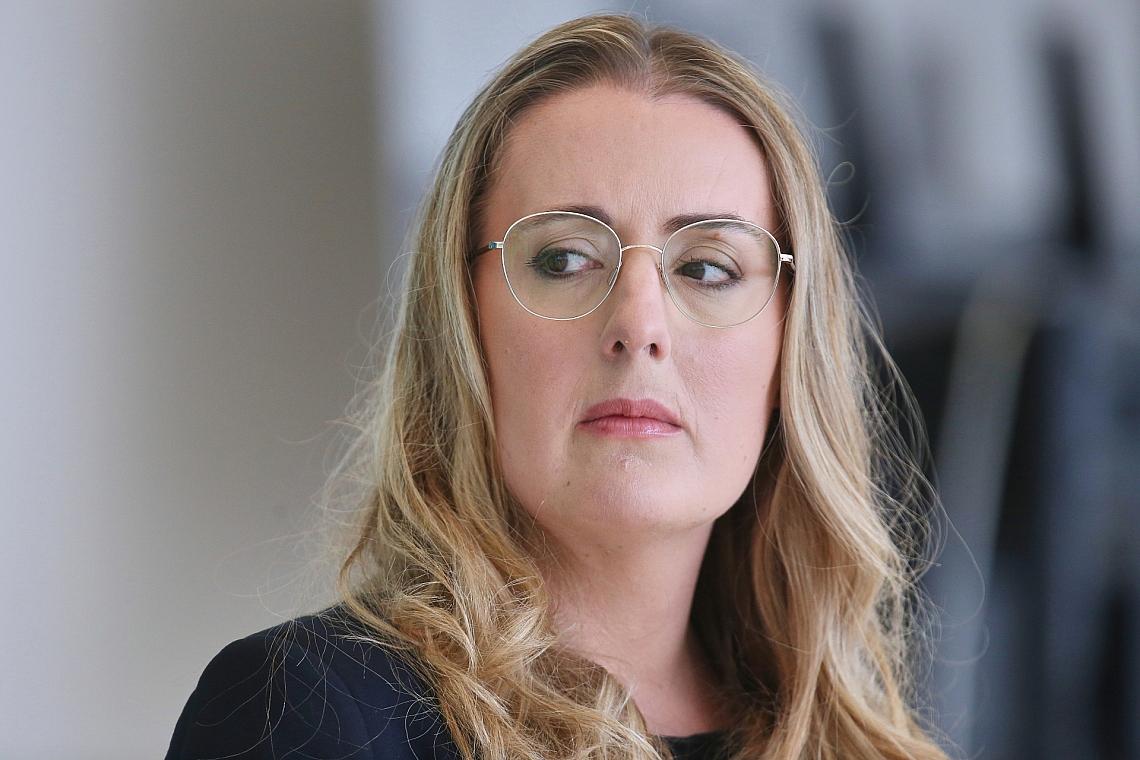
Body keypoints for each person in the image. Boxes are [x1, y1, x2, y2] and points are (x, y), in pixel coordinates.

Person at [166, 14, 948, 760]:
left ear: (788, 349)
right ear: (462, 327)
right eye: (565, 259)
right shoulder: (304, 715)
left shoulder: (865, 743)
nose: (639, 325)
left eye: (708, 268)